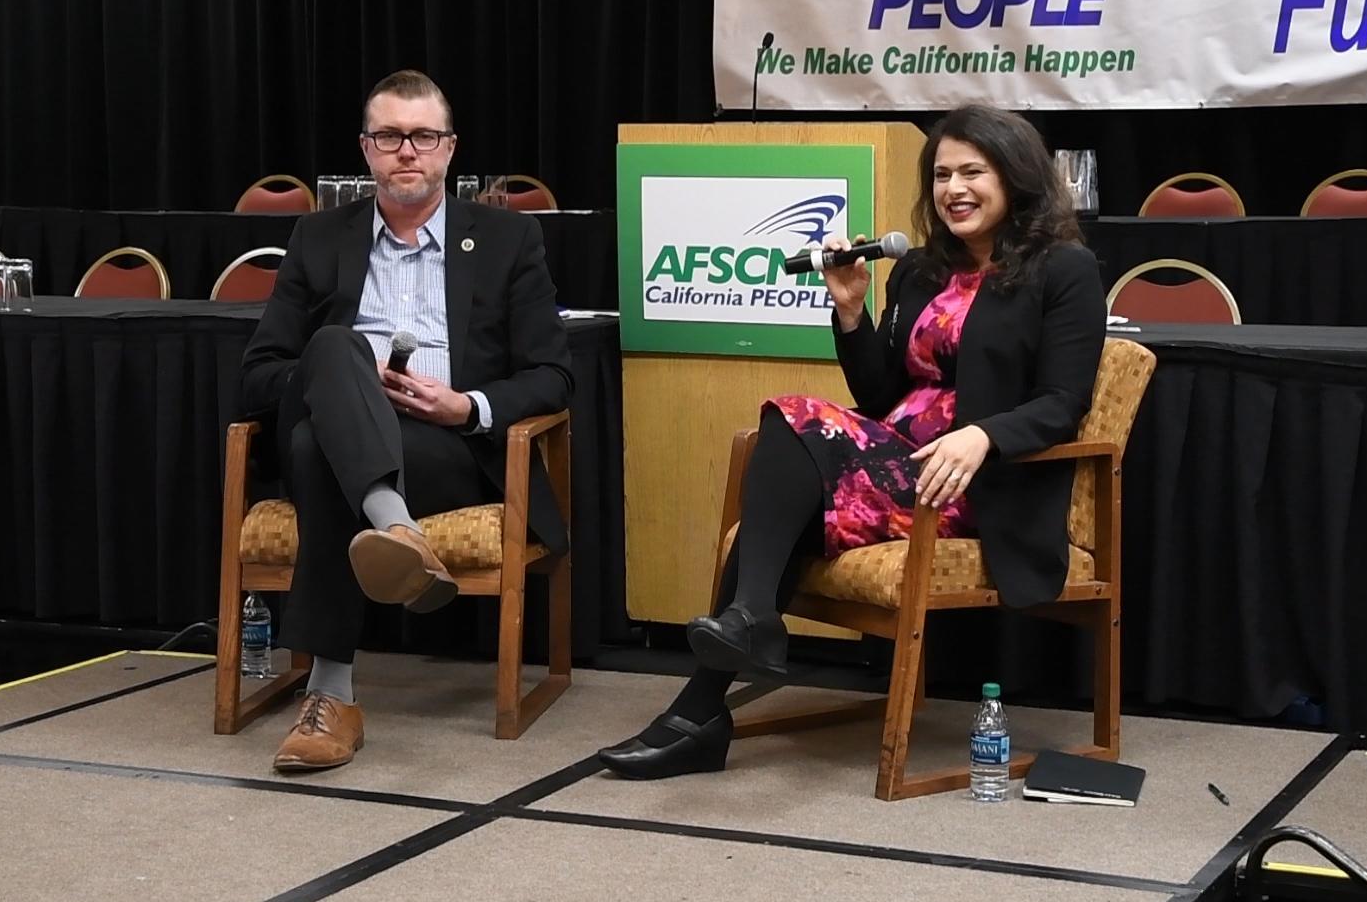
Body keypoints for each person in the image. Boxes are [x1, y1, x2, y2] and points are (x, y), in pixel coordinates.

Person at [597, 104, 1106, 779]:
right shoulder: (923, 270)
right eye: (942, 175)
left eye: (972, 172)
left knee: (793, 440)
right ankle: (726, 663)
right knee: (787, 441)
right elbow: (880, 399)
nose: (953, 189)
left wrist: (982, 436)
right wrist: (849, 308)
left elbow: (1062, 404)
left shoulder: (1064, 270)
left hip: (976, 481)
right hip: (901, 462)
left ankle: (704, 703)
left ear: (1015, 175)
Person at [238, 69, 572, 773]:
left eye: (422, 136)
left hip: (446, 448)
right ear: (366, 150)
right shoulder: (318, 236)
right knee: (334, 347)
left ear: (449, 148)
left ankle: (334, 698)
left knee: (311, 448)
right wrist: (344, 382)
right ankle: (397, 530)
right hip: (339, 422)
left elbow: (553, 374)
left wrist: (467, 406)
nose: (407, 152)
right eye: (390, 136)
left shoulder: (510, 241)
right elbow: (258, 374)